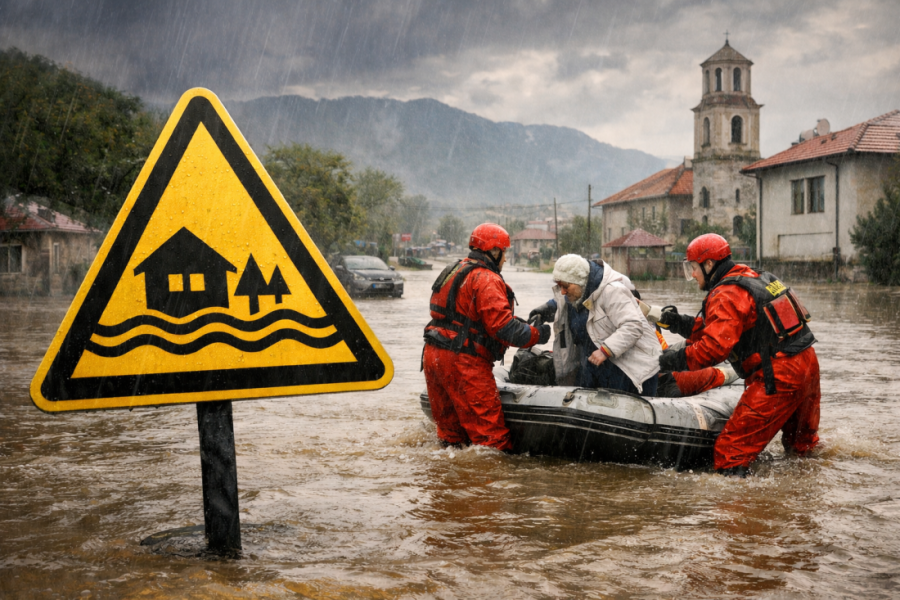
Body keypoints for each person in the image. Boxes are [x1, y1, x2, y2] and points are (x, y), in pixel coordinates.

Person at [645, 233, 819, 476]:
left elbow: (712, 349)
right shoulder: (754, 277)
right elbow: (720, 327)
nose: (692, 275)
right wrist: (674, 321)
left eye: (693, 268)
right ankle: (806, 492)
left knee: (730, 453)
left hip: (778, 373)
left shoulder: (727, 293)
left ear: (708, 264)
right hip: (807, 363)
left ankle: (739, 500)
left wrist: (667, 361)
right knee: (801, 446)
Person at [423, 223, 551, 451]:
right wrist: (537, 334)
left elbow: (467, 317)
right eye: (504, 252)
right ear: (493, 251)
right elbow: (503, 329)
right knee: (491, 440)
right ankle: (489, 475)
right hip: (464, 360)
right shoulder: (486, 279)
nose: (505, 258)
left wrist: (520, 323)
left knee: (451, 435)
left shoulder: (455, 270)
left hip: (434, 356)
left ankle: (447, 473)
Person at [529, 254, 660, 395]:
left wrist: (605, 350)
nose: (562, 291)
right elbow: (561, 302)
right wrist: (544, 310)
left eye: (565, 286)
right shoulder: (576, 294)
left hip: (630, 372)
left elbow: (633, 325)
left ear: (581, 282)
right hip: (596, 366)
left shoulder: (612, 291)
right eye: (559, 286)